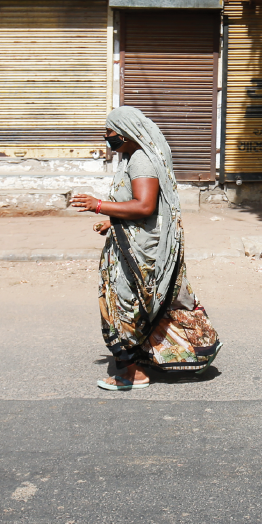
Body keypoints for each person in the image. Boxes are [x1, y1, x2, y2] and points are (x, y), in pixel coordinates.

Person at [70, 107, 221, 391]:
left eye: (109, 132)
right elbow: (142, 208)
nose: (106, 137)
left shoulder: (141, 160)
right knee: (136, 306)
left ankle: (133, 374)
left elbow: (145, 206)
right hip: (133, 244)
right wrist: (113, 221)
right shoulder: (132, 157)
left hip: (141, 254)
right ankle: (146, 361)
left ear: (126, 133)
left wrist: (98, 205)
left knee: (124, 306)